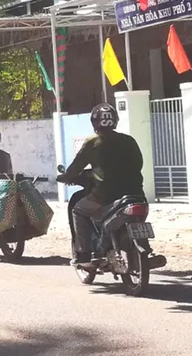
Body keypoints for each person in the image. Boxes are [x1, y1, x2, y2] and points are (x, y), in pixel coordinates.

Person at [57, 102, 144, 266]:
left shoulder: (93, 141)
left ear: (94, 122)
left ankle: (83, 253)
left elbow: (76, 167)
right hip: (136, 194)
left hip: (106, 196)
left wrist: (65, 177)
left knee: (78, 210)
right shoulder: (129, 140)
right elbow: (139, 164)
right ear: (115, 120)